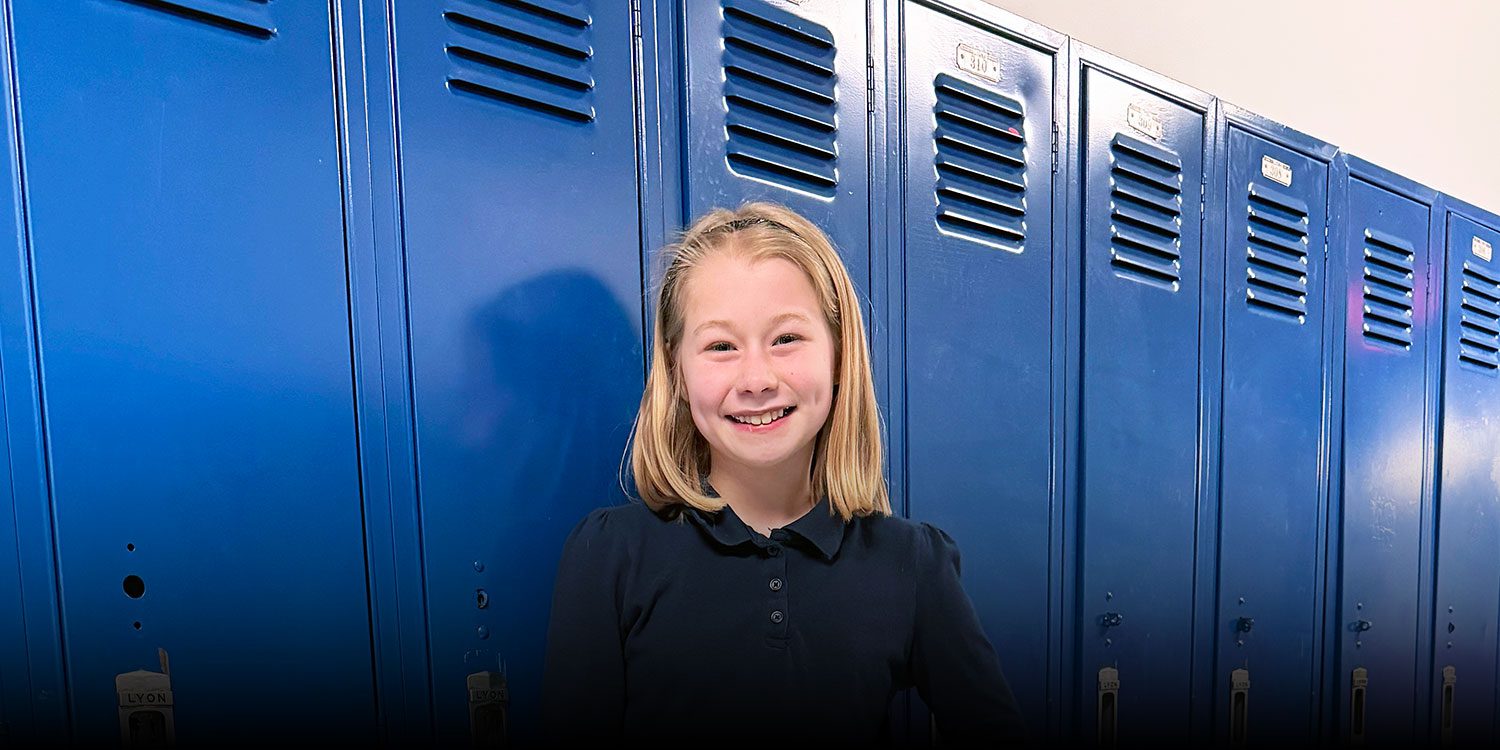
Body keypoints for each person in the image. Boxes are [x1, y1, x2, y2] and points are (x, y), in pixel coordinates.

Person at [540, 202, 1025, 746]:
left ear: (840, 357)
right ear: (677, 372)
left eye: (786, 339)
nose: (756, 379)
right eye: (721, 346)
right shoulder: (610, 557)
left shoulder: (911, 564)